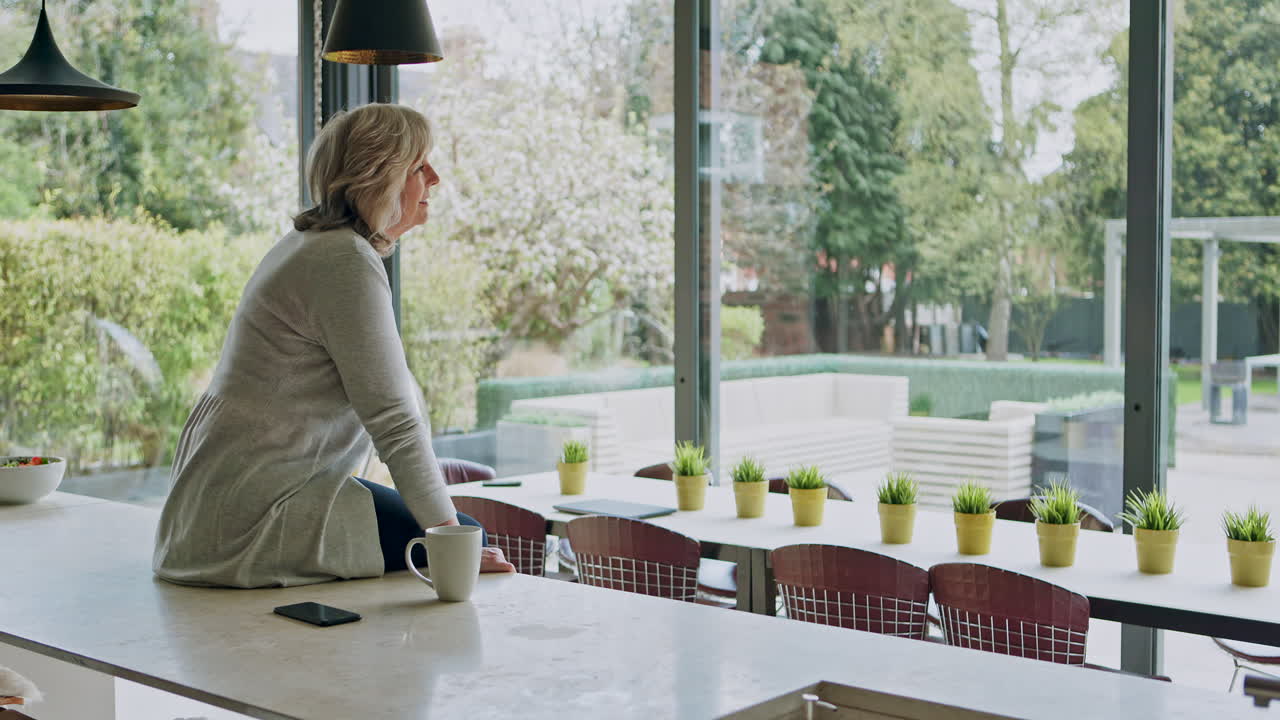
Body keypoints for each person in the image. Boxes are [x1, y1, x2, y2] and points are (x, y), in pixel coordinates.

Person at [153, 103, 514, 588]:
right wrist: (449, 538)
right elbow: (394, 422)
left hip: (221, 508)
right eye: (419, 166)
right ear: (379, 178)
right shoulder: (343, 260)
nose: (435, 178)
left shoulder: (311, 245)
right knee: (464, 540)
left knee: (451, 535)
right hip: (253, 517)